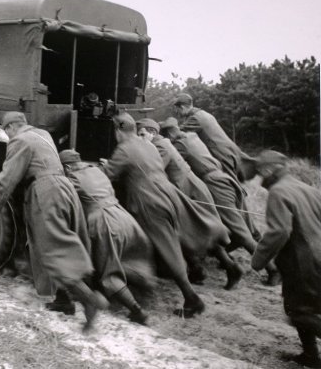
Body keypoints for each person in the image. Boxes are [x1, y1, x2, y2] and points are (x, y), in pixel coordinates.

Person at [0, 112, 108, 332]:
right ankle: (63, 300)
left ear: (10, 128)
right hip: (64, 188)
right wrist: (11, 140)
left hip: (46, 193)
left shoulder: (19, 141)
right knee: (58, 244)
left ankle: (89, 300)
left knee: (53, 249)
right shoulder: (42, 134)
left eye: (7, 131)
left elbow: (7, 180)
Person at [100, 112, 205, 318]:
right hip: (167, 195)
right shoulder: (147, 144)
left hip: (149, 202)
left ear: (119, 130)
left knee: (166, 247)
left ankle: (192, 298)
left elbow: (108, 175)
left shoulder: (124, 148)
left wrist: (99, 167)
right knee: (169, 242)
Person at [160, 118, 280, 286]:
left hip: (215, 184)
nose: (168, 138)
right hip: (224, 178)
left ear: (170, 133)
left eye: (166, 135)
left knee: (241, 232)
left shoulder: (180, 145)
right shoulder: (193, 136)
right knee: (242, 227)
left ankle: (272, 269)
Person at [137, 118, 242, 289]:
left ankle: (230, 268)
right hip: (186, 190)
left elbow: (152, 170)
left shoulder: (161, 146)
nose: (139, 138)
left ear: (153, 133)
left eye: (142, 134)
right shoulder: (160, 144)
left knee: (199, 230)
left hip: (190, 191)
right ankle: (198, 270)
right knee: (193, 230)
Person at [59, 149, 153, 325]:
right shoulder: (96, 170)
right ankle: (136, 292)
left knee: (108, 273)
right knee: (127, 258)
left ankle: (138, 312)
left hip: (105, 222)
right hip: (123, 217)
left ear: (68, 167)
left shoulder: (72, 178)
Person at [251, 151, 321, 368]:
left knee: (299, 312)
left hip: (302, 262)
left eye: (260, 173)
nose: (260, 178)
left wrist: (258, 259)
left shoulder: (278, 192)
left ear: (268, 170)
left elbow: (279, 231)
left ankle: (311, 355)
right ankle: (310, 356)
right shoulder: (307, 188)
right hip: (317, 256)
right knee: (305, 307)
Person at [173, 93, 254, 183]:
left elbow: (175, 133)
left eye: (176, 109)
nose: (176, 112)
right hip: (230, 150)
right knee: (233, 183)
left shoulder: (195, 118)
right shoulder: (204, 114)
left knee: (229, 184)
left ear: (182, 107)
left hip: (221, 154)